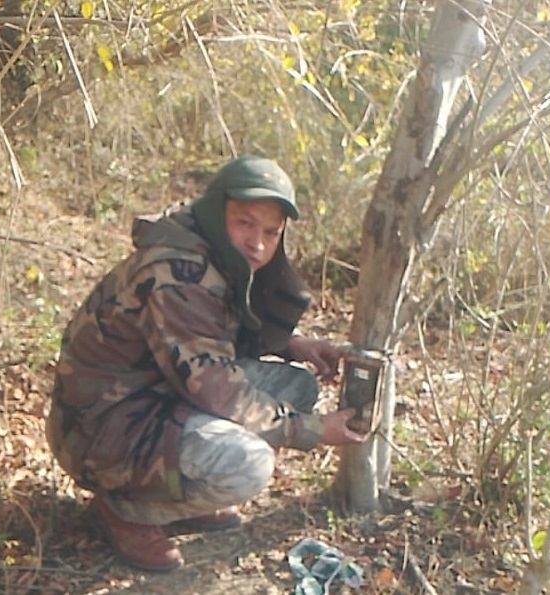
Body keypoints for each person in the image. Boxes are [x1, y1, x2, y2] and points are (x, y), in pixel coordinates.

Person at [45, 155, 368, 571]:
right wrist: (312, 430)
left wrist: (292, 344)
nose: (258, 243)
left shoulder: (210, 249)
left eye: (272, 233)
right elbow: (212, 381)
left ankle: (174, 495)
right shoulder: (177, 271)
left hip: (153, 394)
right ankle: (127, 510)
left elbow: (213, 335)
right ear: (218, 212)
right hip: (99, 428)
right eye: (245, 223)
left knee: (298, 387)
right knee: (249, 465)